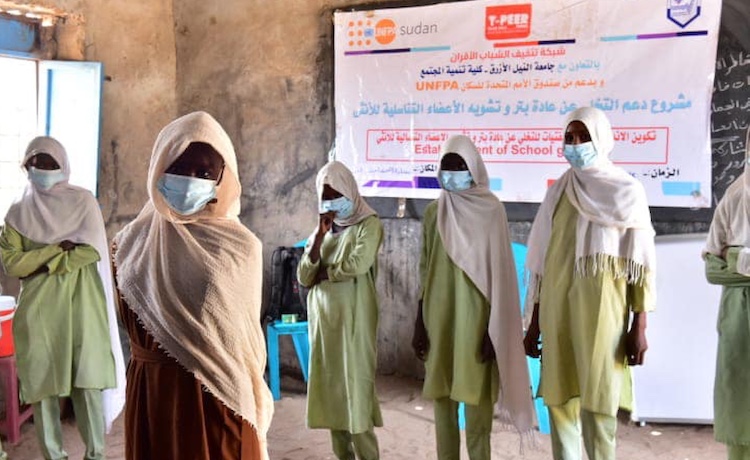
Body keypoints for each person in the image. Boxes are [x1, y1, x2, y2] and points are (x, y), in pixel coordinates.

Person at [112, 111, 273, 460]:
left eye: (204, 172)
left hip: (215, 396)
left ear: (222, 177)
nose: (190, 180)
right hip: (151, 394)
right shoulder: (128, 245)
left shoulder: (241, 247)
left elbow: (241, 342)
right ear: (159, 167)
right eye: (179, 168)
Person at [523, 107, 656, 460]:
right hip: (558, 313)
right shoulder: (559, 193)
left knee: (599, 406)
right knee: (560, 403)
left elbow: (640, 265)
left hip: (604, 314)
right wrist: (534, 323)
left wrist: (639, 325)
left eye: (583, 136)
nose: (576, 144)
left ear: (602, 139)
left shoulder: (626, 192)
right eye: (570, 137)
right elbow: (541, 264)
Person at [0, 136, 126, 460]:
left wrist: (40, 263)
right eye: (35, 163)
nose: (42, 169)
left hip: (82, 304)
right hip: (38, 311)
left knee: (88, 380)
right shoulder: (16, 212)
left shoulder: (83, 202)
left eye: (49, 163)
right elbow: (12, 263)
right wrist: (57, 251)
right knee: (42, 386)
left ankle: (95, 454)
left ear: (63, 165)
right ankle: (53, 455)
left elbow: (91, 251)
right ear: (25, 166)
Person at [412, 134, 535, 459]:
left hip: (479, 324)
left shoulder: (491, 210)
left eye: (459, 165)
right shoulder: (433, 212)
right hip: (440, 321)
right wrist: (419, 322)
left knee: (478, 411)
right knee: (443, 408)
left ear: (473, 169)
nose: (451, 172)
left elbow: (500, 276)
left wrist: (493, 332)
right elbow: (425, 271)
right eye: (446, 165)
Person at [297, 160, 383, 460]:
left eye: (337, 194)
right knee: (334, 397)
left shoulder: (369, 224)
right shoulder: (322, 230)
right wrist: (319, 238)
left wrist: (327, 273)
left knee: (355, 395)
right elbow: (305, 276)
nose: (332, 202)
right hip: (325, 324)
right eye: (326, 196)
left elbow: (358, 263)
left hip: (354, 323)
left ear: (350, 190)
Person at [703, 126, 750, 460]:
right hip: (739, 317)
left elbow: (725, 263)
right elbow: (711, 266)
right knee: (740, 400)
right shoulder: (736, 195)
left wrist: (737, 260)